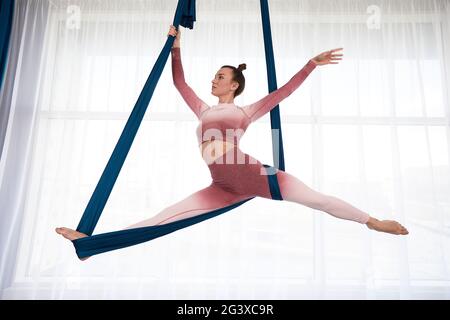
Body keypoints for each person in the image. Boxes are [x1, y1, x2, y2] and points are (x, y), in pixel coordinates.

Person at [56, 25, 408, 258]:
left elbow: (283, 92)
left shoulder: (247, 112)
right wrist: (176, 47)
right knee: (163, 218)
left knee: (317, 200)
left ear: (234, 85)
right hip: (223, 184)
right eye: (214, 76)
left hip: (255, 174)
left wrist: (310, 65)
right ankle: (91, 246)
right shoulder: (203, 109)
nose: (214, 80)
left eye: (220, 77)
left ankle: (373, 221)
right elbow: (180, 84)